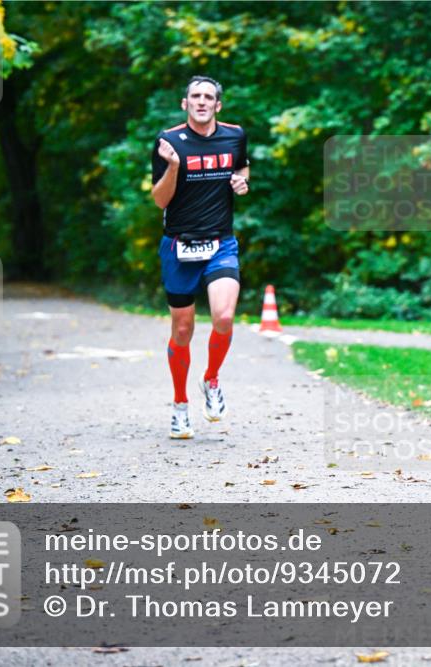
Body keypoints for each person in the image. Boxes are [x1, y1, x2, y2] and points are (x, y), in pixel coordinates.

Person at [151, 75, 250, 439]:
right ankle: (180, 405)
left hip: (220, 243)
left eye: (209, 96)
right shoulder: (168, 141)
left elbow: (241, 168)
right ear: (185, 103)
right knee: (182, 329)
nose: (202, 101)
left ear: (218, 105)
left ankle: (211, 379)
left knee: (223, 316)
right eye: (196, 96)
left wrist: (242, 181)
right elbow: (160, 200)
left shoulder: (235, 135)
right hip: (178, 245)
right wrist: (174, 167)